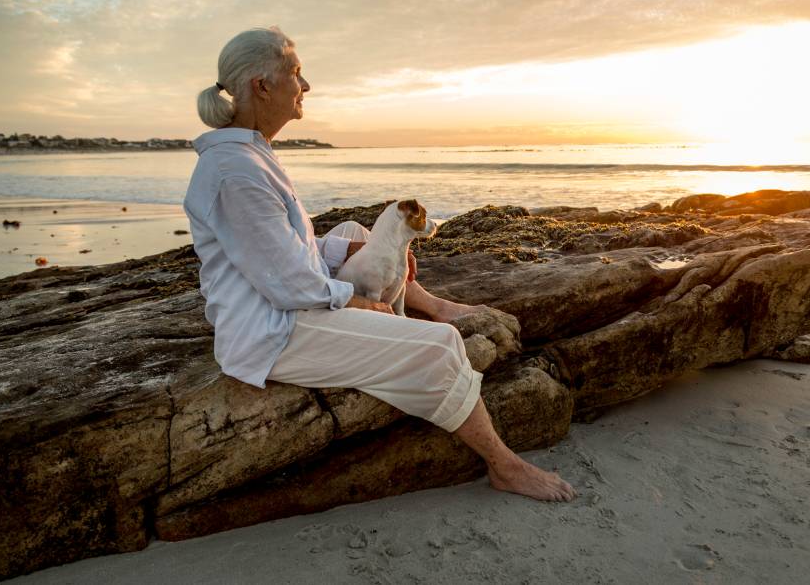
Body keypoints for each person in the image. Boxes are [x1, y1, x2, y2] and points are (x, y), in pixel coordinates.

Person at [185, 26, 575, 502]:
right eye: (296, 74)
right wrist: (358, 303)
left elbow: (281, 247)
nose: (305, 87)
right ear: (261, 87)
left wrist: (341, 253)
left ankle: (429, 301)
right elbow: (287, 282)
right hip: (271, 332)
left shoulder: (250, 155)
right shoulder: (235, 171)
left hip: (281, 299)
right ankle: (504, 465)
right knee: (440, 346)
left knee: (354, 233)